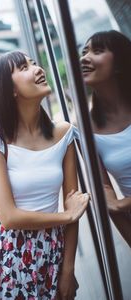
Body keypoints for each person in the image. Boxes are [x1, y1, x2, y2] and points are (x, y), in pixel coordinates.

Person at [0, 51, 89, 299]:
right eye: (24, 67)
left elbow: (74, 207)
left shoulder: (64, 134)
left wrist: (68, 270)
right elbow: (9, 217)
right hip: (10, 258)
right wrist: (66, 215)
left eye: (35, 63)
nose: (38, 69)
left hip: (54, 253)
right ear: (10, 90)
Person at [80, 30, 131, 247]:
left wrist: (124, 203)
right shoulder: (86, 131)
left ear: (120, 63)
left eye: (97, 51)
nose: (84, 57)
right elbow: (109, 201)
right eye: (84, 52)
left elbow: (116, 205)